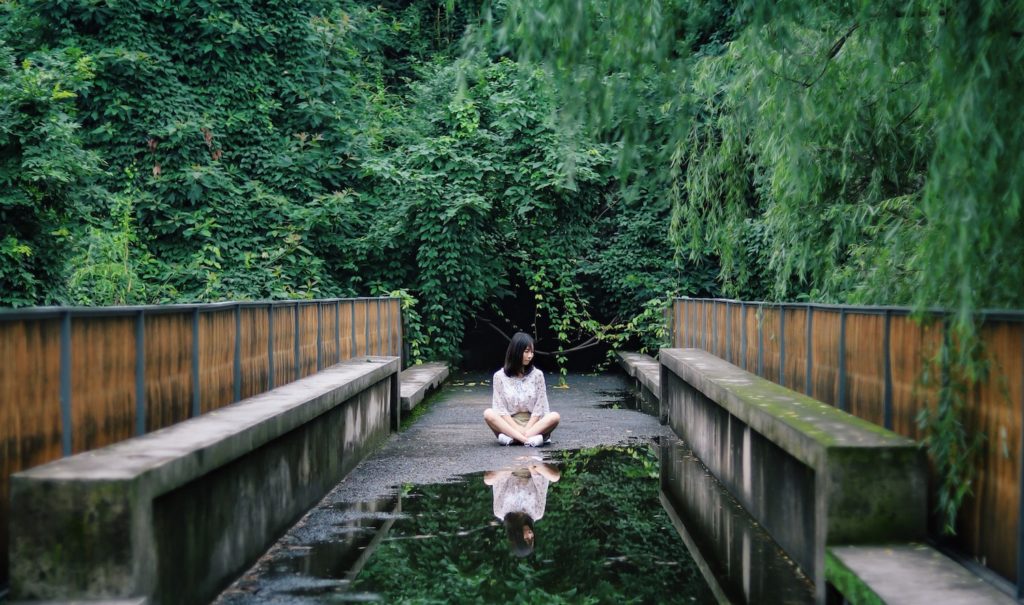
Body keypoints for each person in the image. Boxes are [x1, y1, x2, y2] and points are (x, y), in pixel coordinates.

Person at [483, 332, 561, 446]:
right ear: (516, 351)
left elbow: (540, 406)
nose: (530, 356)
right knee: (488, 413)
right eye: (526, 351)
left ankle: (513, 439)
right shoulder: (499, 376)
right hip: (509, 424)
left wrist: (527, 429)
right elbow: (500, 409)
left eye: (532, 352)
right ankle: (528, 440)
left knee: (555, 416)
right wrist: (517, 430)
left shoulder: (537, 375)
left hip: (534, 424)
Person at [484, 463, 561, 557]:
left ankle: (513, 457)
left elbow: (499, 483)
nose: (530, 535)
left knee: (488, 480)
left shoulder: (500, 511)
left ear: (518, 538)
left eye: (527, 539)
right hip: (534, 468)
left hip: (509, 468)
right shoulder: (537, 513)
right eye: (532, 538)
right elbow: (541, 484)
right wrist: (530, 465)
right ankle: (530, 457)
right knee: (555, 477)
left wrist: (513, 465)